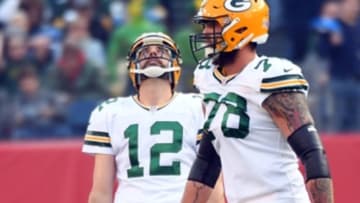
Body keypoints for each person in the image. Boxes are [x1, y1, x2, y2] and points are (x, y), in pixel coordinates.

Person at [181, 1, 334, 203]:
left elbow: (312, 154)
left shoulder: (269, 75)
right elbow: (206, 163)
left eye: (213, 25)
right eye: (205, 26)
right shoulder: (208, 78)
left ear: (240, 28)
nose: (207, 33)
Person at [82, 32, 224, 203]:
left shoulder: (198, 106)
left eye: (161, 50)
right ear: (132, 64)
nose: (153, 53)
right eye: (145, 51)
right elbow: (100, 193)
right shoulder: (109, 112)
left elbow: (211, 182)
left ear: (176, 62)